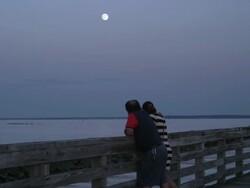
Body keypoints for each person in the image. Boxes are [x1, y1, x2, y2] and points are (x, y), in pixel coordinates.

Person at [124, 99, 168, 188]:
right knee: (163, 179)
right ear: (139, 107)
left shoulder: (133, 115)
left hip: (152, 151)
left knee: (145, 182)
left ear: (128, 110)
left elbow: (129, 132)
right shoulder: (145, 114)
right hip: (162, 149)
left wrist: (126, 130)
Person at [142, 101, 177, 188]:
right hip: (167, 147)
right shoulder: (161, 116)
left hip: (158, 148)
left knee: (160, 179)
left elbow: (150, 131)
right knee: (165, 178)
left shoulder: (150, 117)